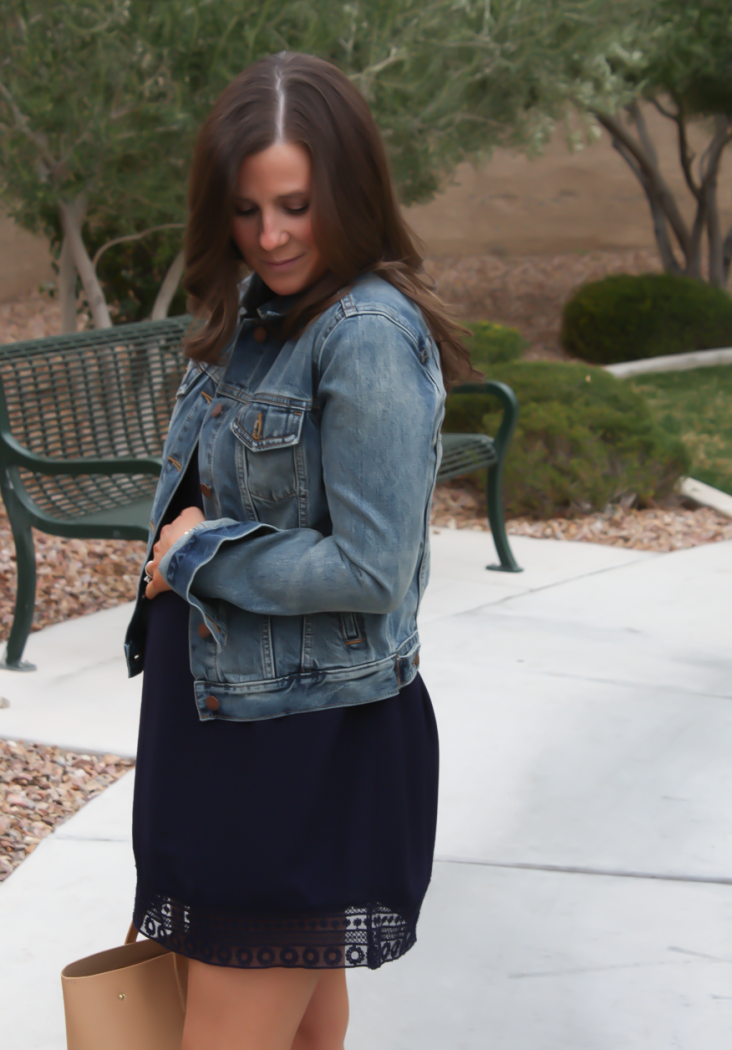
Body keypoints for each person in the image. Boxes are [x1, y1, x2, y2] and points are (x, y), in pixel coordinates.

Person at [124, 50, 476, 1050]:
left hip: (301, 755)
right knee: (303, 1032)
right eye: (246, 210)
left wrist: (201, 556)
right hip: (224, 733)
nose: (270, 235)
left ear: (350, 190)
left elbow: (373, 572)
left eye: (295, 205)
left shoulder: (364, 334)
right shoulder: (255, 315)